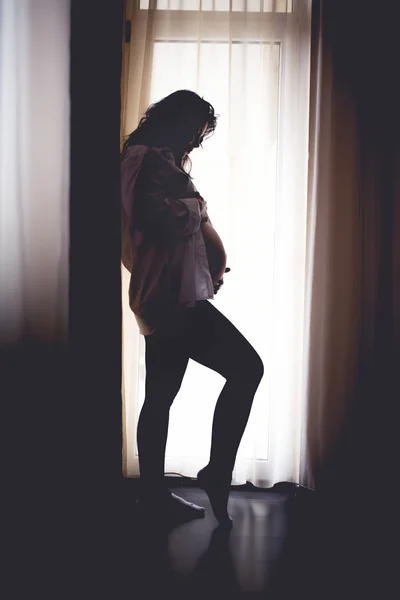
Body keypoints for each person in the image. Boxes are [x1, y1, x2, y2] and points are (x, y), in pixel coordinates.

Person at [121, 90, 264, 528]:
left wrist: (209, 265)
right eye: (193, 133)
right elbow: (151, 219)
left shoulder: (153, 157)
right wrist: (198, 212)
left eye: (199, 139)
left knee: (162, 395)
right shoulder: (144, 157)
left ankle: (153, 497)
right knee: (247, 369)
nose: (194, 145)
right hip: (169, 299)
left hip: (172, 294)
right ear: (173, 119)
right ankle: (215, 473)